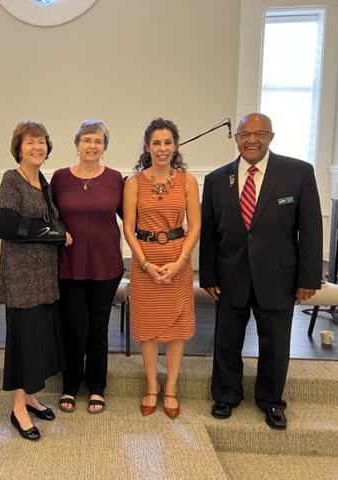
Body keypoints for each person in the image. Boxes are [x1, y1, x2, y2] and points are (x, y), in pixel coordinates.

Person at [199, 112, 322, 430]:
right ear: (236, 138)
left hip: (279, 277)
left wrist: (308, 278)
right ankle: (226, 394)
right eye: (245, 134)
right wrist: (208, 275)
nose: (252, 139)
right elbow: (210, 233)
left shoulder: (298, 173)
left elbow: (309, 230)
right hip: (229, 276)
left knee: (276, 344)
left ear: (271, 136)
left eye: (260, 133)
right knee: (226, 341)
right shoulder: (216, 179)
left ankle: (271, 401)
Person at [123, 118, 201, 420]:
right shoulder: (134, 183)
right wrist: (143, 263)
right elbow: (128, 228)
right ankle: (151, 387)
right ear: (147, 147)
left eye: (168, 142)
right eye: (156, 142)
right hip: (145, 260)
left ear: (175, 146)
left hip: (177, 258)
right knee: (147, 329)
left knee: (176, 330)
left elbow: (195, 227)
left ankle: (171, 388)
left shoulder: (188, 181)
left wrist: (180, 262)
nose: (162, 148)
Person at [0, 119, 69, 441]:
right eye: (30, 142)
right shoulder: (11, 180)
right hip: (20, 275)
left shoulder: (44, 181)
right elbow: (6, 225)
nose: (37, 147)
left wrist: (52, 230)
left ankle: (30, 396)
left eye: (41, 142)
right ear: (19, 148)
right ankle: (17, 408)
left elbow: (49, 221)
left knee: (39, 339)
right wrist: (54, 233)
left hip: (44, 274)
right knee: (23, 342)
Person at [50, 120, 124, 414]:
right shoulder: (59, 178)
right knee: (73, 327)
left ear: (104, 147)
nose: (92, 145)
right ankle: (70, 385)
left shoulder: (117, 179)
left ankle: (97, 387)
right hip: (67, 266)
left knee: (98, 327)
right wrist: (58, 232)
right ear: (77, 144)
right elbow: (49, 215)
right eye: (87, 140)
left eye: (98, 141)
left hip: (106, 266)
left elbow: (130, 221)